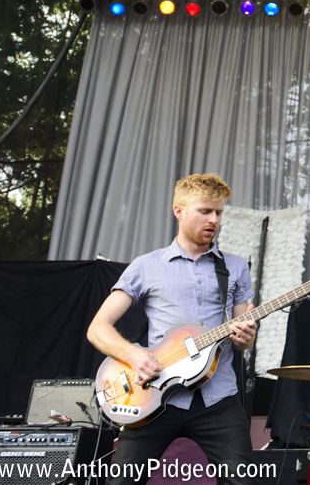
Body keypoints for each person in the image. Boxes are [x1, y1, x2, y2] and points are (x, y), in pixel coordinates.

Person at [87, 173, 258, 485]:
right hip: (153, 395)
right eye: (204, 211)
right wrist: (134, 356)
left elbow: (240, 339)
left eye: (218, 212)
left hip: (217, 398)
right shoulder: (146, 266)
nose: (214, 219)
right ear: (179, 210)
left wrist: (246, 338)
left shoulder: (235, 267)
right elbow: (98, 328)